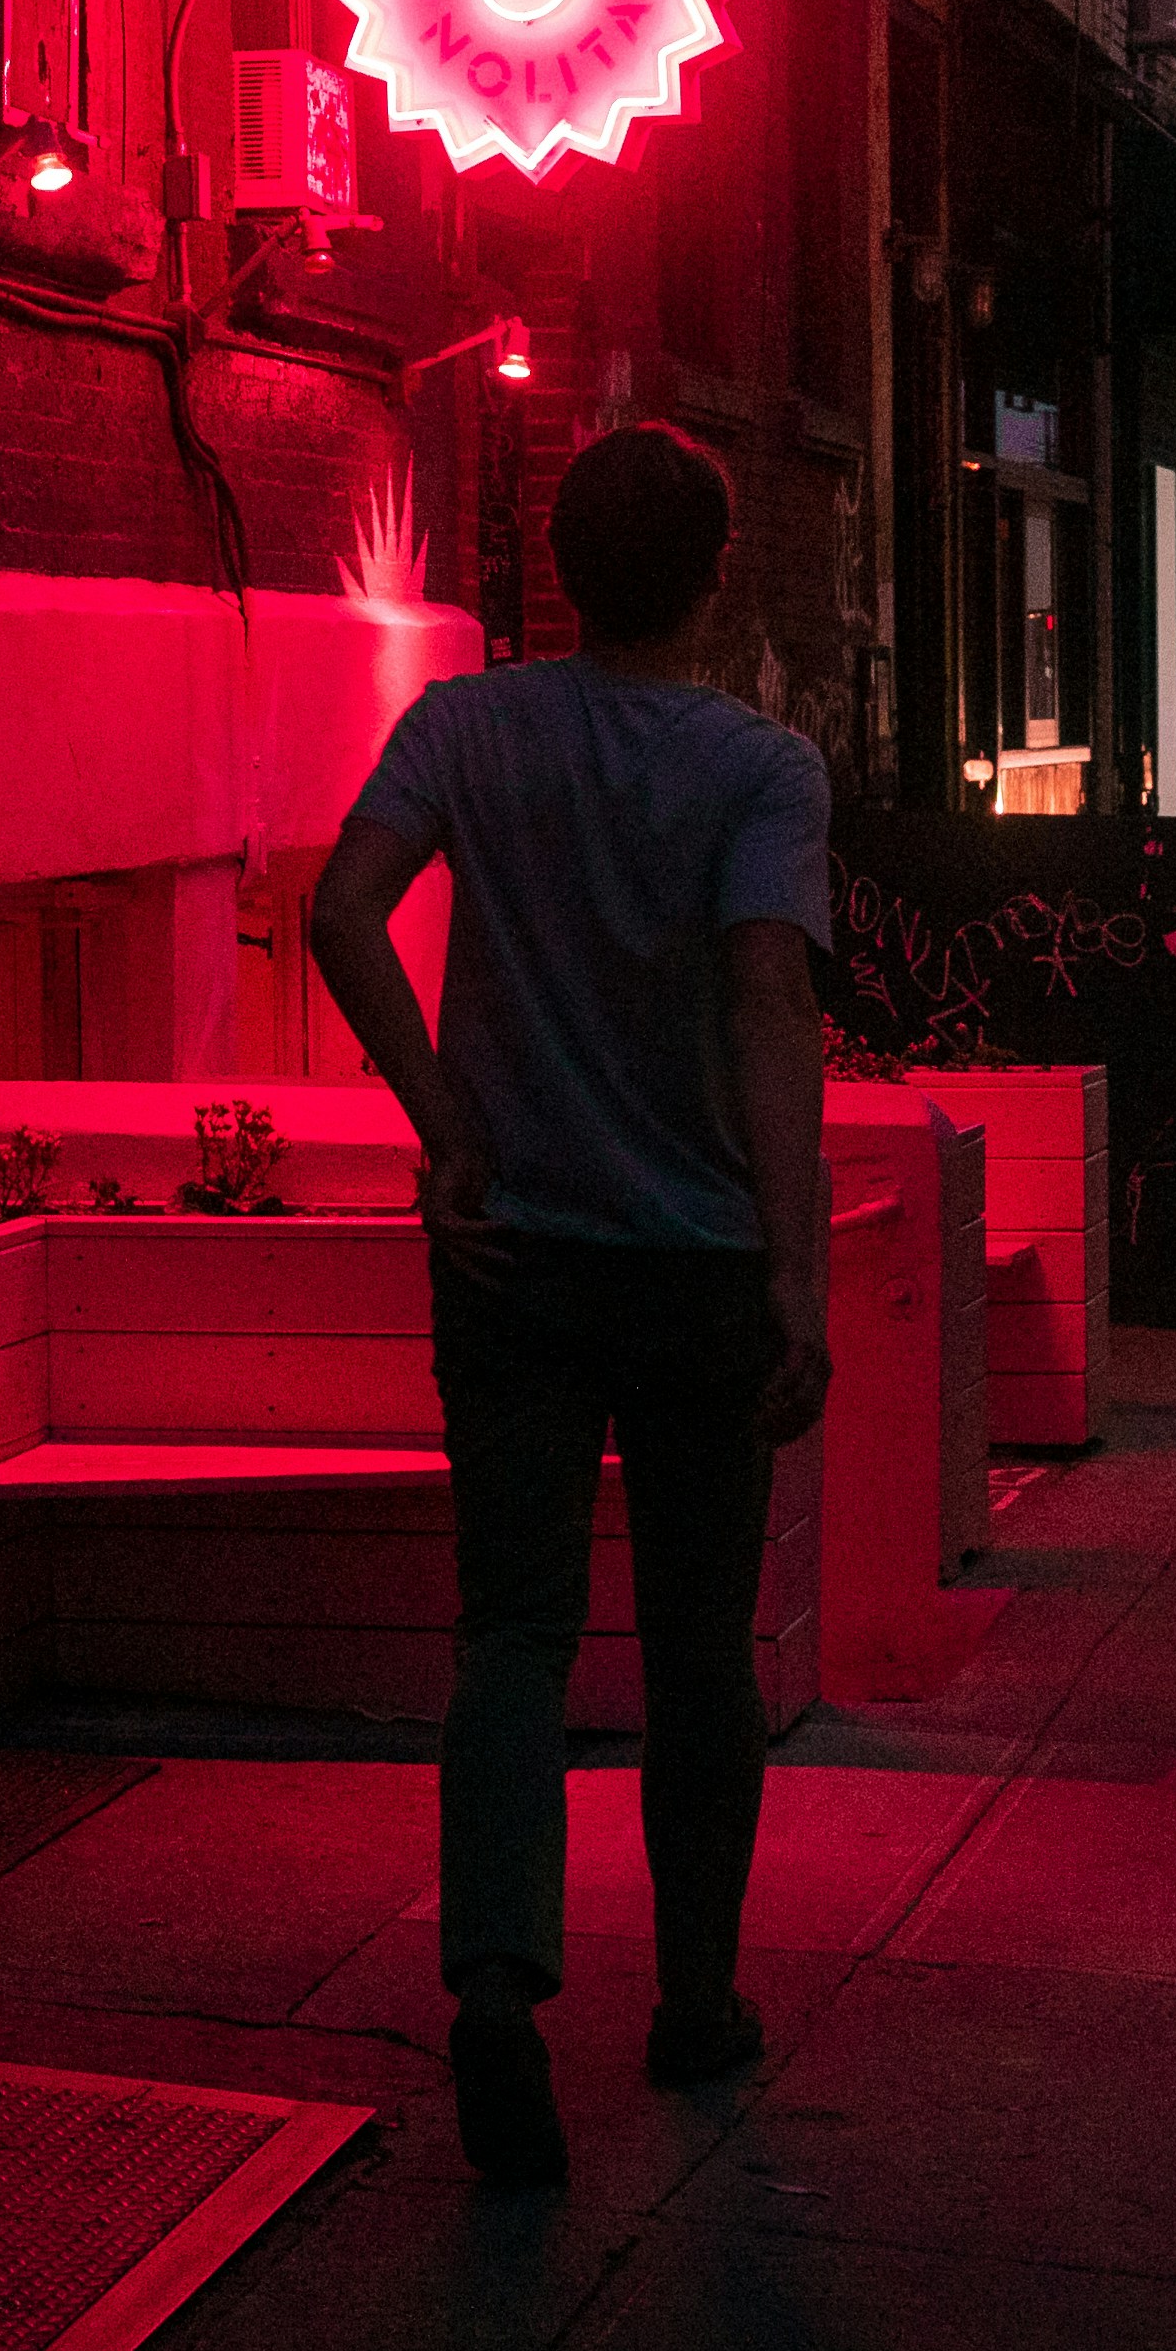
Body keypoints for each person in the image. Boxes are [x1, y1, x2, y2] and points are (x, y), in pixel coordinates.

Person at [307, 423, 835, 2190]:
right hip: (692, 1260)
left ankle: (496, 1987)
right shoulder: (759, 770)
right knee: (699, 1645)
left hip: (511, 1254)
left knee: (512, 1630)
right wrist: (796, 1260)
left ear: (560, 566)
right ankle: (693, 1995)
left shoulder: (465, 725)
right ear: (711, 574)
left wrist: (445, 1121)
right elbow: (769, 1000)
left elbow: (341, 907)